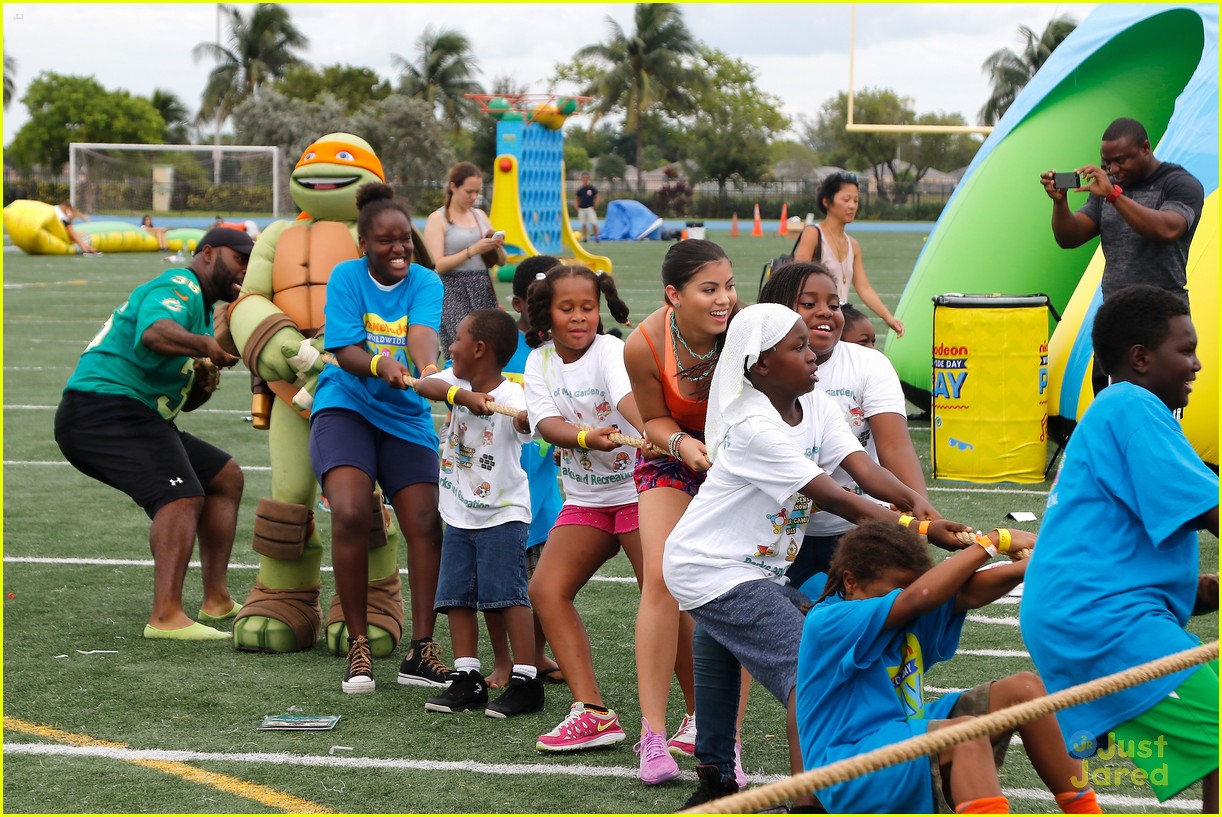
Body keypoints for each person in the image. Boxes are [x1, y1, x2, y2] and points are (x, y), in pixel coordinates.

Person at [663, 303, 965, 808]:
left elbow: (863, 472)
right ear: (760, 365)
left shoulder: (818, 405)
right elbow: (836, 498)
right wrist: (923, 530)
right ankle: (811, 796)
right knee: (811, 665)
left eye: (811, 344)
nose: (813, 354)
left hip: (751, 567)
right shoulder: (754, 425)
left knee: (716, 652)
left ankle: (714, 779)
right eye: (798, 347)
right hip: (710, 566)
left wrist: (915, 501)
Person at [1020, 284, 1219, 813]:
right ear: (1140, 359)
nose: (1197, 364)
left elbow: (1118, 535)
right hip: (1100, 619)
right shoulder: (1132, 404)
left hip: (1094, 610)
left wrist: (1193, 591)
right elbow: (1209, 510)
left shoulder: (1118, 409)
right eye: (1186, 350)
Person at [797, 521, 1100, 815]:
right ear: (850, 582)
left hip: (899, 736)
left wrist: (1042, 561)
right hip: (846, 767)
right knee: (965, 735)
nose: (899, 598)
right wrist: (993, 541)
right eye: (890, 593)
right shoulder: (828, 621)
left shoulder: (908, 606)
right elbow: (919, 597)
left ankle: (1087, 812)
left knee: (1025, 690)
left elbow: (965, 593)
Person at [54, 226, 253, 639]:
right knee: (180, 495)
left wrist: (200, 383)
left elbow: (178, 393)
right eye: (239, 259)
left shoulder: (199, 306)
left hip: (131, 411)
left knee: (224, 476)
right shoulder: (179, 282)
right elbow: (153, 332)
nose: (245, 270)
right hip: (102, 407)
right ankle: (166, 616)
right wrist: (204, 346)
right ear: (209, 253)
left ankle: (215, 599)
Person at [308, 182, 449, 694]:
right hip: (345, 407)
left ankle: (423, 649)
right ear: (364, 243)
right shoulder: (346, 277)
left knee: (425, 522)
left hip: (405, 417)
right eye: (386, 241)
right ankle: (359, 645)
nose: (399, 250)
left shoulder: (426, 282)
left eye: (405, 240)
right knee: (349, 512)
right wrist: (377, 363)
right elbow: (342, 347)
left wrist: (428, 367)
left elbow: (420, 333)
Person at [622, 238, 736, 784]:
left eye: (729, 287)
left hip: (738, 458)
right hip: (673, 454)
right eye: (709, 289)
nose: (724, 300)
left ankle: (725, 741)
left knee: (734, 585)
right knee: (660, 577)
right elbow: (653, 421)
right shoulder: (642, 344)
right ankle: (651, 736)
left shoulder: (746, 331)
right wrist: (682, 446)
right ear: (674, 295)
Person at [522, 264, 643, 753]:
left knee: (665, 599)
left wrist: (658, 434)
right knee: (546, 590)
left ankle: (700, 719)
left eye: (587, 308)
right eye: (566, 308)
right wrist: (583, 437)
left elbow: (626, 398)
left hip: (639, 493)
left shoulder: (611, 350)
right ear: (545, 315)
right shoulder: (540, 362)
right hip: (589, 499)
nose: (579, 318)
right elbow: (547, 423)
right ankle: (592, 711)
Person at [759, 262, 928, 593]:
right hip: (778, 529)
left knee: (868, 618)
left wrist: (917, 514)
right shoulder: (759, 373)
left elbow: (894, 448)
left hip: (859, 527)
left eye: (834, 305)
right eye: (809, 304)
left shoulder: (869, 364)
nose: (826, 313)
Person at [414, 309, 546, 718]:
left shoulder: (511, 396)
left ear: (479, 349)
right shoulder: (456, 381)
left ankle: (527, 680)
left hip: (501, 515)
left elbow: (527, 424)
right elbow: (424, 385)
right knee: (456, 597)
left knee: (506, 597)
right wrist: (464, 397)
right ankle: (467, 676)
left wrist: (525, 417)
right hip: (458, 512)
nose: (449, 347)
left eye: (455, 339)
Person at [1041, 118, 1203, 394]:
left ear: (1145, 148)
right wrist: (1060, 202)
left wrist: (1114, 195)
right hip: (1115, 319)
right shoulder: (1109, 188)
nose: (1113, 170)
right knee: (1109, 406)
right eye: (1106, 164)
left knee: (1156, 410)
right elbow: (1070, 237)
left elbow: (1166, 228)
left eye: (1120, 161)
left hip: (1163, 323)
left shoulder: (1179, 184)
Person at [483, 255, 566, 690]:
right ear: (518, 302)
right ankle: (502, 660)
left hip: (543, 492)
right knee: (500, 586)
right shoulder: (498, 346)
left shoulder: (564, 354)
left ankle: (533, 655)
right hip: (497, 490)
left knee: (541, 585)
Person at [791, 173, 904, 337]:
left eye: (856, 200)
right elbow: (797, 279)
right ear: (827, 201)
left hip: (837, 320)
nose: (852, 205)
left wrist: (889, 318)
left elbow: (864, 287)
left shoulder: (854, 245)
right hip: (814, 323)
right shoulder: (813, 233)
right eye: (846, 200)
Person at [423, 162, 506, 354]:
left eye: (477, 192)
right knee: (461, 348)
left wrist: (496, 246)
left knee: (489, 348)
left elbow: (501, 261)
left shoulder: (480, 216)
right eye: (469, 191)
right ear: (453, 187)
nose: (474, 197)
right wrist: (473, 250)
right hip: (452, 289)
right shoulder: (438, 218)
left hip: (482, 286)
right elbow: (438, 265)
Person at [574, 172, 600, 243]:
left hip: (590, 208)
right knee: (583, 224)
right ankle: (585, 237)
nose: (584, 179)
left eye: (586, 178)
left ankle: (597, 237)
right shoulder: (580, 189)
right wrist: (576, 207)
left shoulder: (592, 188)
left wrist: (596, 205)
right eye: (583, 178)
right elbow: (576, 199)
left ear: (588, 178)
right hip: (582, 208)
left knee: (593, 223)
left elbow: (597, 196)